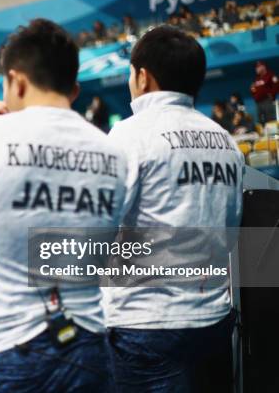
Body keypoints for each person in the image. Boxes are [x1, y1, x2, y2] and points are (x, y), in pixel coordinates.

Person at [0, 18, 127, 392]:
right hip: (89, 347)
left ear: (16, 81)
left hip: (2, 348)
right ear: (75, 89)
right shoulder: (114, 151)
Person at [103, 26, 244, 392]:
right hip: (212, 322)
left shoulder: (130, 134)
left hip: (147, 327)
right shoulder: (226, 141)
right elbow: (231, 231)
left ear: (142, 76)